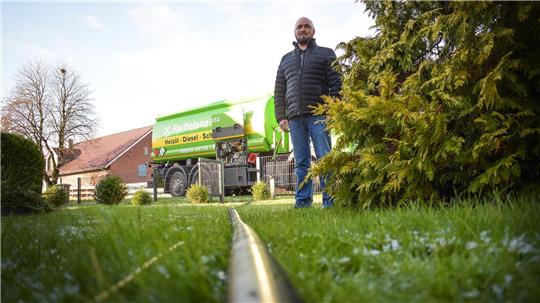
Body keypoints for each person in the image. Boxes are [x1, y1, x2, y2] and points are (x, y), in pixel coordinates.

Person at [274, 17, 342, 208]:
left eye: (307, 26)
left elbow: (336, 84)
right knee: (301, 163)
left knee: (324, 158)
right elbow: (279, 90)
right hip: (295, 118)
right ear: (294, 32)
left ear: (313, 31)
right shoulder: (285, 60)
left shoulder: (326, 54)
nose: (303, 29)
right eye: (299, 27)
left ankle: (331, 202)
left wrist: (333, 109)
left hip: (319, 115)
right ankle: (303, 202)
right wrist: (281, 116)